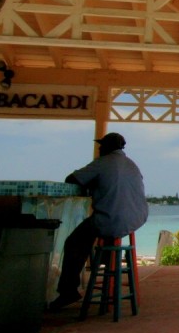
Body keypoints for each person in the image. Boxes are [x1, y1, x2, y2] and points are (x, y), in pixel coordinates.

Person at [48, 132, 148, 311]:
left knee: (73, 242)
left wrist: (92, 185)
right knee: (100, 234)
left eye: (101, 146)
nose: (99, 148)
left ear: (108, 147)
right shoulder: (132, 164)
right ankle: (105, 262)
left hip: (112, 219)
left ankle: (68, 290)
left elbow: (72, 179)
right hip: (136, 218)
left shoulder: (103, 162)